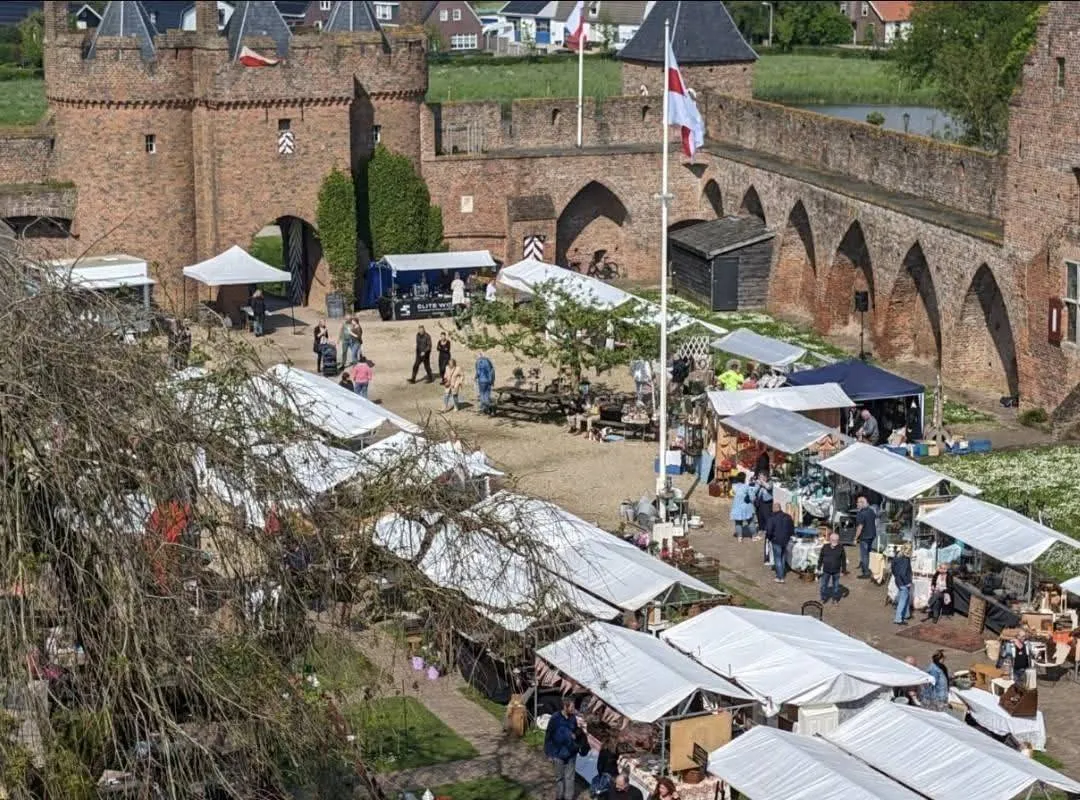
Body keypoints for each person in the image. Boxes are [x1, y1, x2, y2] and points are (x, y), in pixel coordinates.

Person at [544, 697, 582, 800]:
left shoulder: (573, 718)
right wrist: (548, 753)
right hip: (558, 753)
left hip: (571, 753)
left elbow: (576, 731)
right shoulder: (555, 718)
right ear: (565, 706)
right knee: (559, 778)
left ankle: (568, 798)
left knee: (570, 778)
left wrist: (576, 734)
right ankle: (559, 797)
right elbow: (548, 735)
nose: (574, 709)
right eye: (572, 707)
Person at [764, 500, 795, 583]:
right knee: (782, 556)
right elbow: (792, 528)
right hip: (785, 540)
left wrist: (769, 538)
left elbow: (769, 530)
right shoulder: (787, 517)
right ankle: (782, 572)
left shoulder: (772, 518)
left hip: (776, 540)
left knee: (777, 558)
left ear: (774, 509)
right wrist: (789, 536)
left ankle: (780, 577)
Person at [817, 531, 846, 604]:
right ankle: (823, 598)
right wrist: (818, 567)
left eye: (836, 541)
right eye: (833, 540)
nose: (835, 543)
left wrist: (843, 570)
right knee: (823, 585)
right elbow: (821, 557)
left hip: (836, 571)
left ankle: (835, 599)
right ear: (830, 540)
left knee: (836, 587)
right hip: (826, 570)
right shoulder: (825, 547)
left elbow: (843, 559)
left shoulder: (841, 548)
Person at [854, 495, 876, 580]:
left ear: (862, 503)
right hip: (872, 535)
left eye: (858, 502)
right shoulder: (871, 511)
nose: (856, 504)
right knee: (869, 553)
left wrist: (855, 538)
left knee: (864, 555)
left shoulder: (861, 513)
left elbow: (860, 527)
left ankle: (866, 572)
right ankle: (870, 568)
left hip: (865, 536)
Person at [729, 474, 757, 542]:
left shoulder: (734, 486)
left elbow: (732, 494)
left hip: (736, 506)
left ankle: (739, 537)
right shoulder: (746, 487)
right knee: (750, 522)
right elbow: (752, 498)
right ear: (744, 479)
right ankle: (754, 536)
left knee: (738, 522)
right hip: (746, 506)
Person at [892, 543, 914, 625]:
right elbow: (903, 573)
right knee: (903, 600)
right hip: (904, 582)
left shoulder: (897, 557)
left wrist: (897, 577)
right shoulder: (906, 559)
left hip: (898, 581)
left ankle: (905, 615)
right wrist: (907, 582)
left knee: (905, 598)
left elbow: (893, 569)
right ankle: (898, 619)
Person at [753, 471, 773, 542]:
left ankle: (768, 531)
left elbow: (769, 487)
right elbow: (754, 491)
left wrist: (762, 483)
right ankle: (761, 529)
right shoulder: (757, 483)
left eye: (761, 477)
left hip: (767, 502)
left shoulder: (770, 482)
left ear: (766, 477)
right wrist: (758, 484)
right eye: (759, 477)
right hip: (759, 501)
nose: (760, 478)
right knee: (759, 516)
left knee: (766, 516)